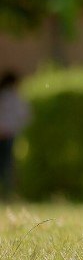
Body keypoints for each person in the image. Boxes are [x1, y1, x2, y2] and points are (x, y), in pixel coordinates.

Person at [0, 71, 31, 201]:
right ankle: (9, 194)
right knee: (8, 164)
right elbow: (25, 116)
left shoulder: (3, 96)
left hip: (5, 134)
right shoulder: (14, 97)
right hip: (8, 134)